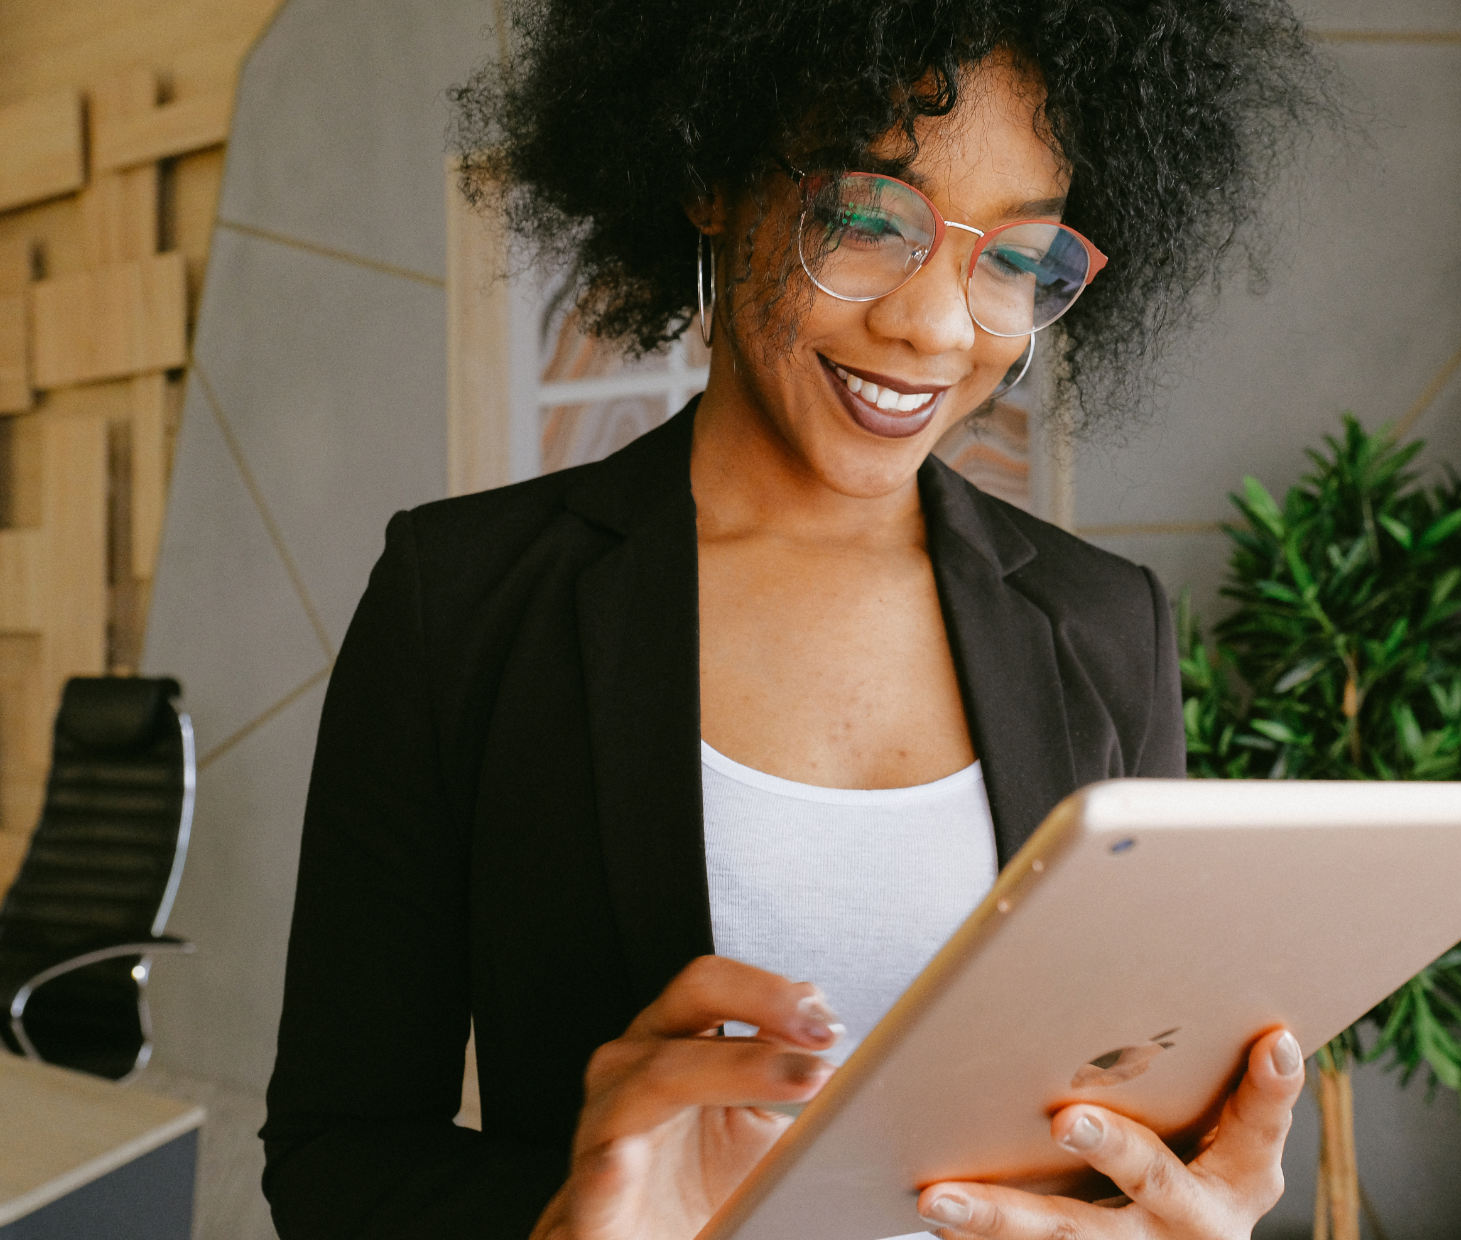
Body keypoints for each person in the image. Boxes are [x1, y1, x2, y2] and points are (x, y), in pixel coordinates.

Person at [261, 2, 1326, 1237]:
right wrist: (566, 1222)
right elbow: (335, 1157)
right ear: (711, 174)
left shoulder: (1102, 625)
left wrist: (1196, 1205)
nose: (934, 327)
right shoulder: (465, 597)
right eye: (869, 221)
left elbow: (1134, 1122)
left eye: (1015, 259)